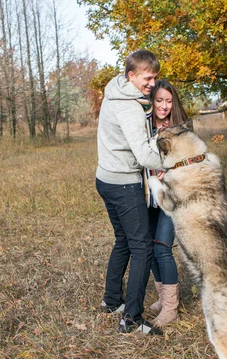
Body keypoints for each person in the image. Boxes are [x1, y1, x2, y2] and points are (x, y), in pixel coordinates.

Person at [95, 50, 164, 336]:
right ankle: (131, 318)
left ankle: (112, 301)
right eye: (147, 78)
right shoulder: (129, 107)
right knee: (142, 246)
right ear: (131, 75)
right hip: (123, 183)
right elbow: (145, 154)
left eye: (155, 78)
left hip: (105, 179)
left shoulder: (115, 92)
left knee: (123, 239)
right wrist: (173, 163)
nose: (152, 83)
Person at [145, 79, 190, 327]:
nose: (163, 106)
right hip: (148, 194)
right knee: (150, 247)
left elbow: (191, 162)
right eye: (159, 100)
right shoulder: (144, 125)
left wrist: (169, 170)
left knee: (163, 246)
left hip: (171, 193)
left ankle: (171, 308)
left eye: (168, 101)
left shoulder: (182, 128)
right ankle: (163, 298)